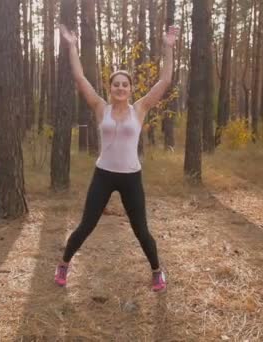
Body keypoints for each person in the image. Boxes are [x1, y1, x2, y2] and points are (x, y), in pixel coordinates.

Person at [54, 23, 179, 292]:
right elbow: (80, 79)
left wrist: (169, 48)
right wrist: (72, 46)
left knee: (141, 230)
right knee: (86, 225)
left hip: (131, 177)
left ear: (131, 89)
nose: (120, 88)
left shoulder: (140, 108)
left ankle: (157, 271)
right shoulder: (101, 108)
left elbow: (165, 81)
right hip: (104, 175)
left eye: (125, 84)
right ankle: (63, 264)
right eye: (116, 84)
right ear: (110, 88)